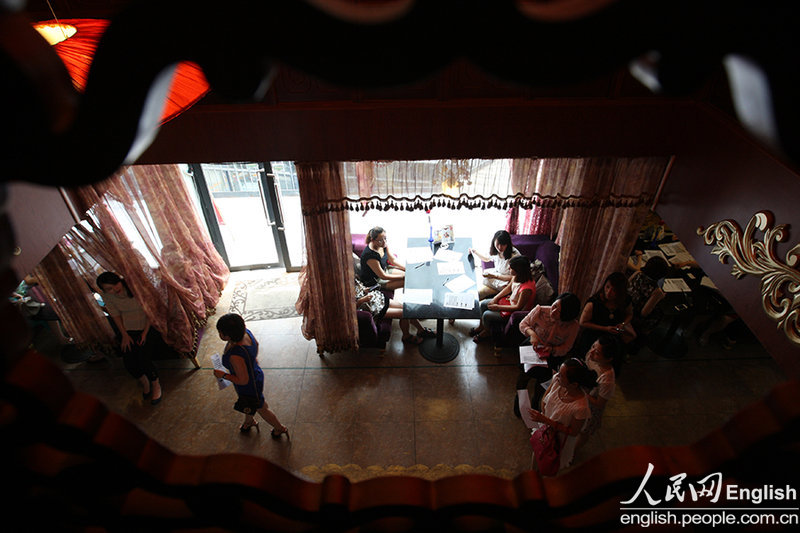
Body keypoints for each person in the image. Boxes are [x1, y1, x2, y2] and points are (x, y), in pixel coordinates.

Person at [213, 313, 289, 437]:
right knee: (247, 402)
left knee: (261, 408)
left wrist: (223, 375)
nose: (219, 334)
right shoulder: (246, 333)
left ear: (228, 335)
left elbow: (242, 380)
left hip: (249, 386)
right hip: (255, 373)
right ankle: (249, 421)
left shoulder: (235, 354)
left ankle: (279, 428)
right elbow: (257, 344)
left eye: (220, 332)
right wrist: (252, 359)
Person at [96, 271, 162, 404]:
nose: (115, 289)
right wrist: (124, 335)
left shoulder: (134, 288)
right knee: (128, 360)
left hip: (148, 326)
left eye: (115, 284)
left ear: (119, 280)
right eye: (109, 289)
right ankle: (145, 382)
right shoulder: (108, 297)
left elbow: (150, 311)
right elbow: (116, 316)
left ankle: (156, 384)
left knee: (143, 357)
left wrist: (144, 333)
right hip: (129, 329)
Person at [513, 292, 581, 417]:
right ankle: (520, 403)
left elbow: (567, 347)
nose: (553, 311)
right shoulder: (541, 310)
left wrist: (552, 350)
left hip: (552, 356)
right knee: (523, 377)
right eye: (554, 306)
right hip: (532, 348)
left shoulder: (573, 326)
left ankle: (535, 403)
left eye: (559, 312)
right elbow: (523, 324)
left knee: (543, 382)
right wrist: (532, 334)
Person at [527, 358, 594, 473]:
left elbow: (573, 432)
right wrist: (543, 417)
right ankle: (533, 475)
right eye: (559, 371)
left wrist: (547, 421)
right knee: (537, 452)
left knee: (550, 465)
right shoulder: (557, 381)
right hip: (546, 428)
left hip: (558, 440)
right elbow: (545, 399)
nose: (557, 376)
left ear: (574, 384)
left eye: (562, 375)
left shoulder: (580, 407)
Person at [471, 255, 536, 344]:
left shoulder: (526, 289)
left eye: (511, 267)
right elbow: (509, 288)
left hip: (514, 312)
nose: (509, 268)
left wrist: (498, 307)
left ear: (518, 270)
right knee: (483, 305)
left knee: (486, 315)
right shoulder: (516, 276)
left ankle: (487, 332)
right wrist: (495, 298)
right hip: (510, 301)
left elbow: (518, 307)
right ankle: (481, 327)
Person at [575, 272, 636, 358]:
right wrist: (605, 328)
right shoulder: (595, 302)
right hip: (594, 336)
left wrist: (622, 324)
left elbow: (629, 314)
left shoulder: (625, 301)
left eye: (614, 290)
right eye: (607, 287)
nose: (608, 292)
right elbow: (583, 322)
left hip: (612, 337)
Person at [355, 278, 434, 344]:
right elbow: (353, 308)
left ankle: (421, 330)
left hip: (375, 298)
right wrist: (361, 300)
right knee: (404, 313)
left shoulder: (349, 278)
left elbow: (359, 289)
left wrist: (365, 290)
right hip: (372, 308)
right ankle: (406, 336)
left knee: (407, 308)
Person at [576, 335, 620, 449]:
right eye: (593, 347)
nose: (591, 353)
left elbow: (600, 403)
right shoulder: (591, 357)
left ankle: (574, 452)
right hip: (582, 396)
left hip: (591, 408)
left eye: (597, 353)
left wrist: (582, 391)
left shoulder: (607, 379)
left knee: (584, 431)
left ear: (608, 358)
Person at [469, 230, 521, 299]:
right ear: (494, 242)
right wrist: (475, 252)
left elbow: (515, 278)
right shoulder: (496, 251)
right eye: (498, 244)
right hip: (499, 275)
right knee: (483, 277)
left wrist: (495, 276)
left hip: (508, 281)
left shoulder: (514, 256)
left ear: (508, 244)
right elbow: (486, 259)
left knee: (483, 285)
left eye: (503, 245)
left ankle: (499, 293)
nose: (499, 247)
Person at [628, 256, 669, 339]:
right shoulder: (656, 291)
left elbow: (627, 285)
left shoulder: (637, 273)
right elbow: (644, 312)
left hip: (626, 303)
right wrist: (660, 297)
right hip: (633, 314)